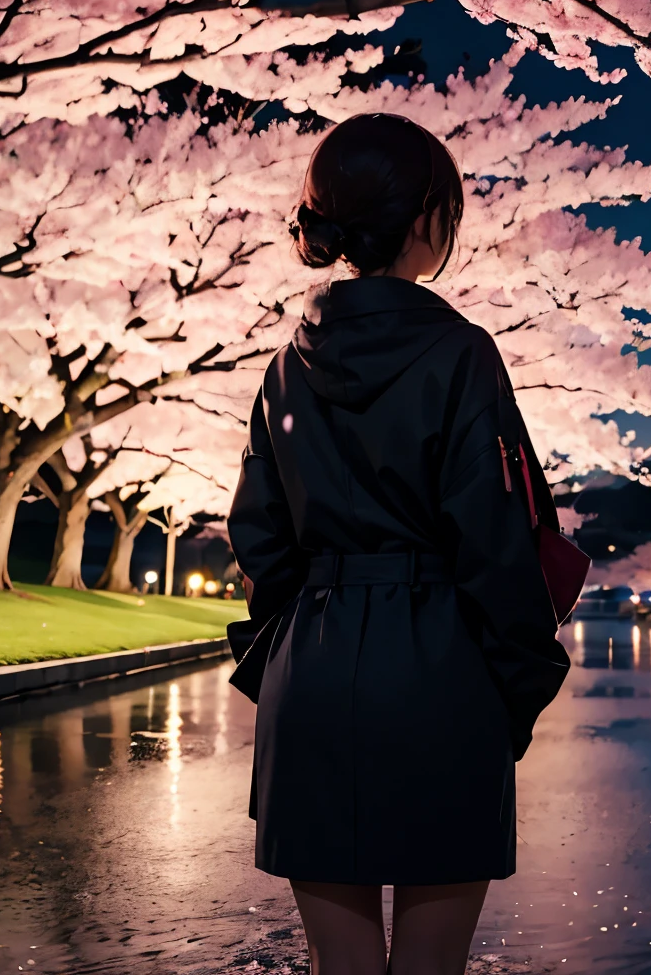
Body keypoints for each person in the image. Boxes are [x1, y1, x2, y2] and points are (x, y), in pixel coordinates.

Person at [226, 113, 572, 975]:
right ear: (426, 219)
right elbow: (499, 543)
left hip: (310, 671)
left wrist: (286, 655)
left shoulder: (282, 368)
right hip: (439, 678)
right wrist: (518, 692)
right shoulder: (461, 356)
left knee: (337, 966)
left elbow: (260, 543)